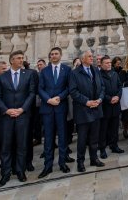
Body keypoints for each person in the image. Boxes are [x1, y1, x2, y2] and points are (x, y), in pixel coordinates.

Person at [0, 50, 37, 186]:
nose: (21, 60)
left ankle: (20, 171)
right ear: (11, 60)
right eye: (18, 58)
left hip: (23, 116)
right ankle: (5, 174)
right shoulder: (2, 77)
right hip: (6, 117)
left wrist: (22, 109)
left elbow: (31, 93)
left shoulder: (28, 75)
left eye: (22, 58)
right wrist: (6, 110)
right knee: (6, 146)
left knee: (22, 145)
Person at [68, 50, 105, 173]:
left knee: (95, 137)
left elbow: (102, 87)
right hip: (83, 110)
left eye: (92, 56)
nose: (92, 58)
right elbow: (73, 92)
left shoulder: (95, 70)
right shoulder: (75, 73)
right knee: (82, 139)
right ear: (82, 59)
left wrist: (99, 99)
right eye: (89, 56)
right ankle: (80, 162)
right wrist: (87, 102)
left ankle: (94, 159)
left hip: (96, 108)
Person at [38, 47, 72, 178]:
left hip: (61, 107)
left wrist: (59, 97)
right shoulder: (44, 71)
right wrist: (48, 99)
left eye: (56, 53)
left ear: (61, 55)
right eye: (51, 54)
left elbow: (69, 87)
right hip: (47, 108)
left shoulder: (67, 69)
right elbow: (40, 88)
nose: (53, 56)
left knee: (62, 137)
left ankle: (63, 162)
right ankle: (48, 166)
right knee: (48, 138)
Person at [98, 56, 124, 159]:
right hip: (105, 106)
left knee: (114, 127)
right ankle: (102, 149)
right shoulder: (98, 75)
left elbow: (120, 86)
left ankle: (114, 146)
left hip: (116, 105)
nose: (109, 64)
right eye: (106, 63)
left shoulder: (114, 73)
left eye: (109, 62)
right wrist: (109, 99)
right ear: (101, 64)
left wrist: (118, 96)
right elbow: (100, 91)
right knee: (103, 129)